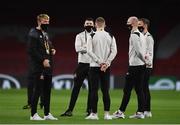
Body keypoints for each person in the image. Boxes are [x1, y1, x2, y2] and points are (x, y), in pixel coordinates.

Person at [112, 16, 146, 119]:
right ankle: (140, 112)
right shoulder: (141, 35)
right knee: (139, 90)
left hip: (134, 66)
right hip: (140, 66)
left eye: (128, 22)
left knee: (127, 90)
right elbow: (143, 50)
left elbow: (138, 51)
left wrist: (144, 60)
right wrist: (145, 61)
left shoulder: (134, 35)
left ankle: (121, 112)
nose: (127, 24)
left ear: (134, 23)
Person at [60, 18, 94, 117]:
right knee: (76, 88)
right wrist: (89, 48)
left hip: (92, 65)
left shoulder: (96, 36)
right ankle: (70, 110)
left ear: (93, 25)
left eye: (90, 24)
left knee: (92, 89)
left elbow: (94, 49)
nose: (89, 25)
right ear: (84, 25)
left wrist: (84, 48)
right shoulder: (79, 35)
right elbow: (77, 48)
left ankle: (89, 110)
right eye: (87, 23)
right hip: (82, 65)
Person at [85, 17, 117, 120]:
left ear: (95, 25)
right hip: (106, 68)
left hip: (94, 66)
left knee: (94, 91)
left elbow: (89, 51)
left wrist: (99, 62)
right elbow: (114, 51)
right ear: (104, 25)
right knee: (105, 91)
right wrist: (106, 63)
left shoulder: (91, 35)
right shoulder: (110, 35)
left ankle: (94, 114)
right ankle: (107, 114)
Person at [27, 14, 57, 120]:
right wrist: (42, 59)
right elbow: (31, 50)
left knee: (47, 91)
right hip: (38, 67)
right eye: (45, 21)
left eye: (48, 21)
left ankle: (47, 113)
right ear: (39, 22)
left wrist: (52, 48)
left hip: (48, 66)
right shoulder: (33, 33)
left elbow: (47, 44)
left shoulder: (45, 33)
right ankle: (33, 114)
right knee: (38, 90)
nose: (47, 23)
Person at [138, 18, 154, 118]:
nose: (138, 26)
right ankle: (145, 110)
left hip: (146, 66)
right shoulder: (141, 36)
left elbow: (149, 52)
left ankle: (146, 110)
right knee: (143, 88)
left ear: (145, 25)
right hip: (142, 65)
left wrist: (147, 63)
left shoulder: (148, 37)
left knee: (144, 88)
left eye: (140, 24)